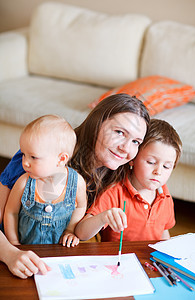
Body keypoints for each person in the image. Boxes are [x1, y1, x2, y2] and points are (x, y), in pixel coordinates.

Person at [0, 93, 150, 278]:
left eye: (135, 141)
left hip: (56, 262)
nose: (126, 148)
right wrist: (9, 252)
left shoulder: (117, 173)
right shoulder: (38, 156)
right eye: (119, 132)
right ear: (97, 123)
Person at [75, 119, 182, 242]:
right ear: (133, 158)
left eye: (166, 166)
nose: (158, 171)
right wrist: (103, 217)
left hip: (149, 259)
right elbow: (81, 233)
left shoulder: (164, 194)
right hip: (118, 259)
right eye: (151, 162)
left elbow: (164, 232)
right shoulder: (114, 193)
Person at [4, 114, 87, 248]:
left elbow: (81, 206)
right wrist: (14, 243)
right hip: (27, 250)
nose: (25, 162)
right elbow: (10, 212)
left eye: (33, 157)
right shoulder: (24, 182)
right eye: (24, 154)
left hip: (59, 253)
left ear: (61, 159)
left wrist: (70, 230)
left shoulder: (76, 183)